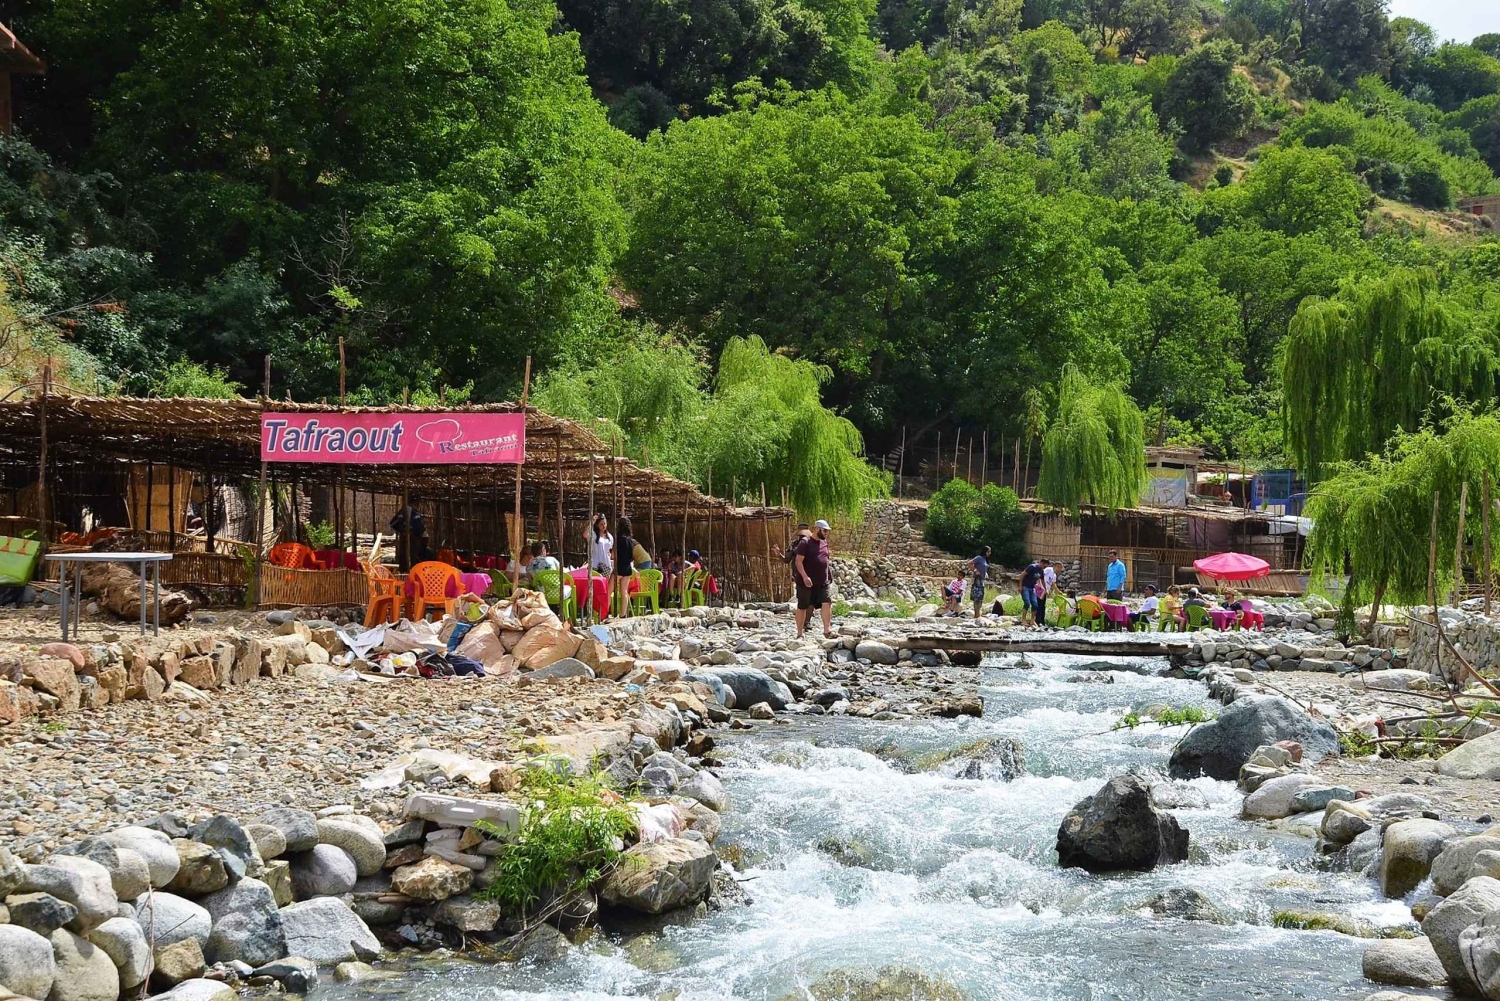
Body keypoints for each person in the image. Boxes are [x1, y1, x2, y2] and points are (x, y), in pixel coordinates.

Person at [794, 519, 834, 639]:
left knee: (827, 602)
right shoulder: (805, 543)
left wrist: (828, 575)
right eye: (825, 530)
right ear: (817, 529)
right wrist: (805, 577)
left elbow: (825, 559)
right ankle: (800, 633)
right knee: (803, 606)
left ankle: (827, 630)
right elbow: (798, 561)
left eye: (827, 531)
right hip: (805, 583)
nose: (826, 533)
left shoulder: (824, 542)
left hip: (823, 582)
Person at [775, 524, 813, 635]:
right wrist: (778, 554)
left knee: (811, 599)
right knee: (803, 599)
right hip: (799, 575)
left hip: (812, 574)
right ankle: (804, 622)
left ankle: (807, 622)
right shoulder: (794, 545)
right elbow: (786, 560)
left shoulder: (813, 544)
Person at [584, 514, 613, 620]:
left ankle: (604, 612)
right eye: (601, 524)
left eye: (605, 524)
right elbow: (585, 534)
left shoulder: (609, 537)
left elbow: (609, 551)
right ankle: (592, 612)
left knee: (605, 590)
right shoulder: (594, 535)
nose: (603, 526)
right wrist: (591, 522)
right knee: (594, 589)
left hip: (606, 566)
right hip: (595, 565)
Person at [389, 494, 426, 571]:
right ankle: (410, 576)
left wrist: (402, 530)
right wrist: (409, 531)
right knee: (412, 558)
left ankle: (403, 575)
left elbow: (393, 523)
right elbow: (420, 528)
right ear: (416, 502)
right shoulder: (413, 511)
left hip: (405, 538)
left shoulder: (403, 510)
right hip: (412, 539)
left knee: (403, 557)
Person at [613, 516, 637, 618]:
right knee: (624, 592)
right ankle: (623, 614)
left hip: (619, 568)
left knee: (609, 590)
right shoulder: (631, 541)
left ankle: (604, 613)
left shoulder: (618, 539)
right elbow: (632, 557)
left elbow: (614, 555)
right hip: (627, 568)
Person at [966, 546, 991, 619]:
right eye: (988, 551)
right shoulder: (979, 558)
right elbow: (969, 563)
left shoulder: (985, 560)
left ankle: (978, 614)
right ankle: (976, 614)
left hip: (982, 580)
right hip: (977, 579)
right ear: (985, 551)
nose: (989, 553)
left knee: (981, 597)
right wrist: (975, 570)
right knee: (977, 597)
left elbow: (984, 568)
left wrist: (986, 573)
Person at [1019, 557, 1045, 626]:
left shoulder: (1041, 571)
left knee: (1035, 604)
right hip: (1025, 587)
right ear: (1041, 563)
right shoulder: (1032, 567)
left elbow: (1042, 581)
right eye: (1044, 565)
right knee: (1027, 603)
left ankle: (1032, 620)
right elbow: (1022, 575)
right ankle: (1023, 620)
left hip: (1033, 588)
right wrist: (1020, 586)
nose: (1044, 567)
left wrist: (1045, 589)